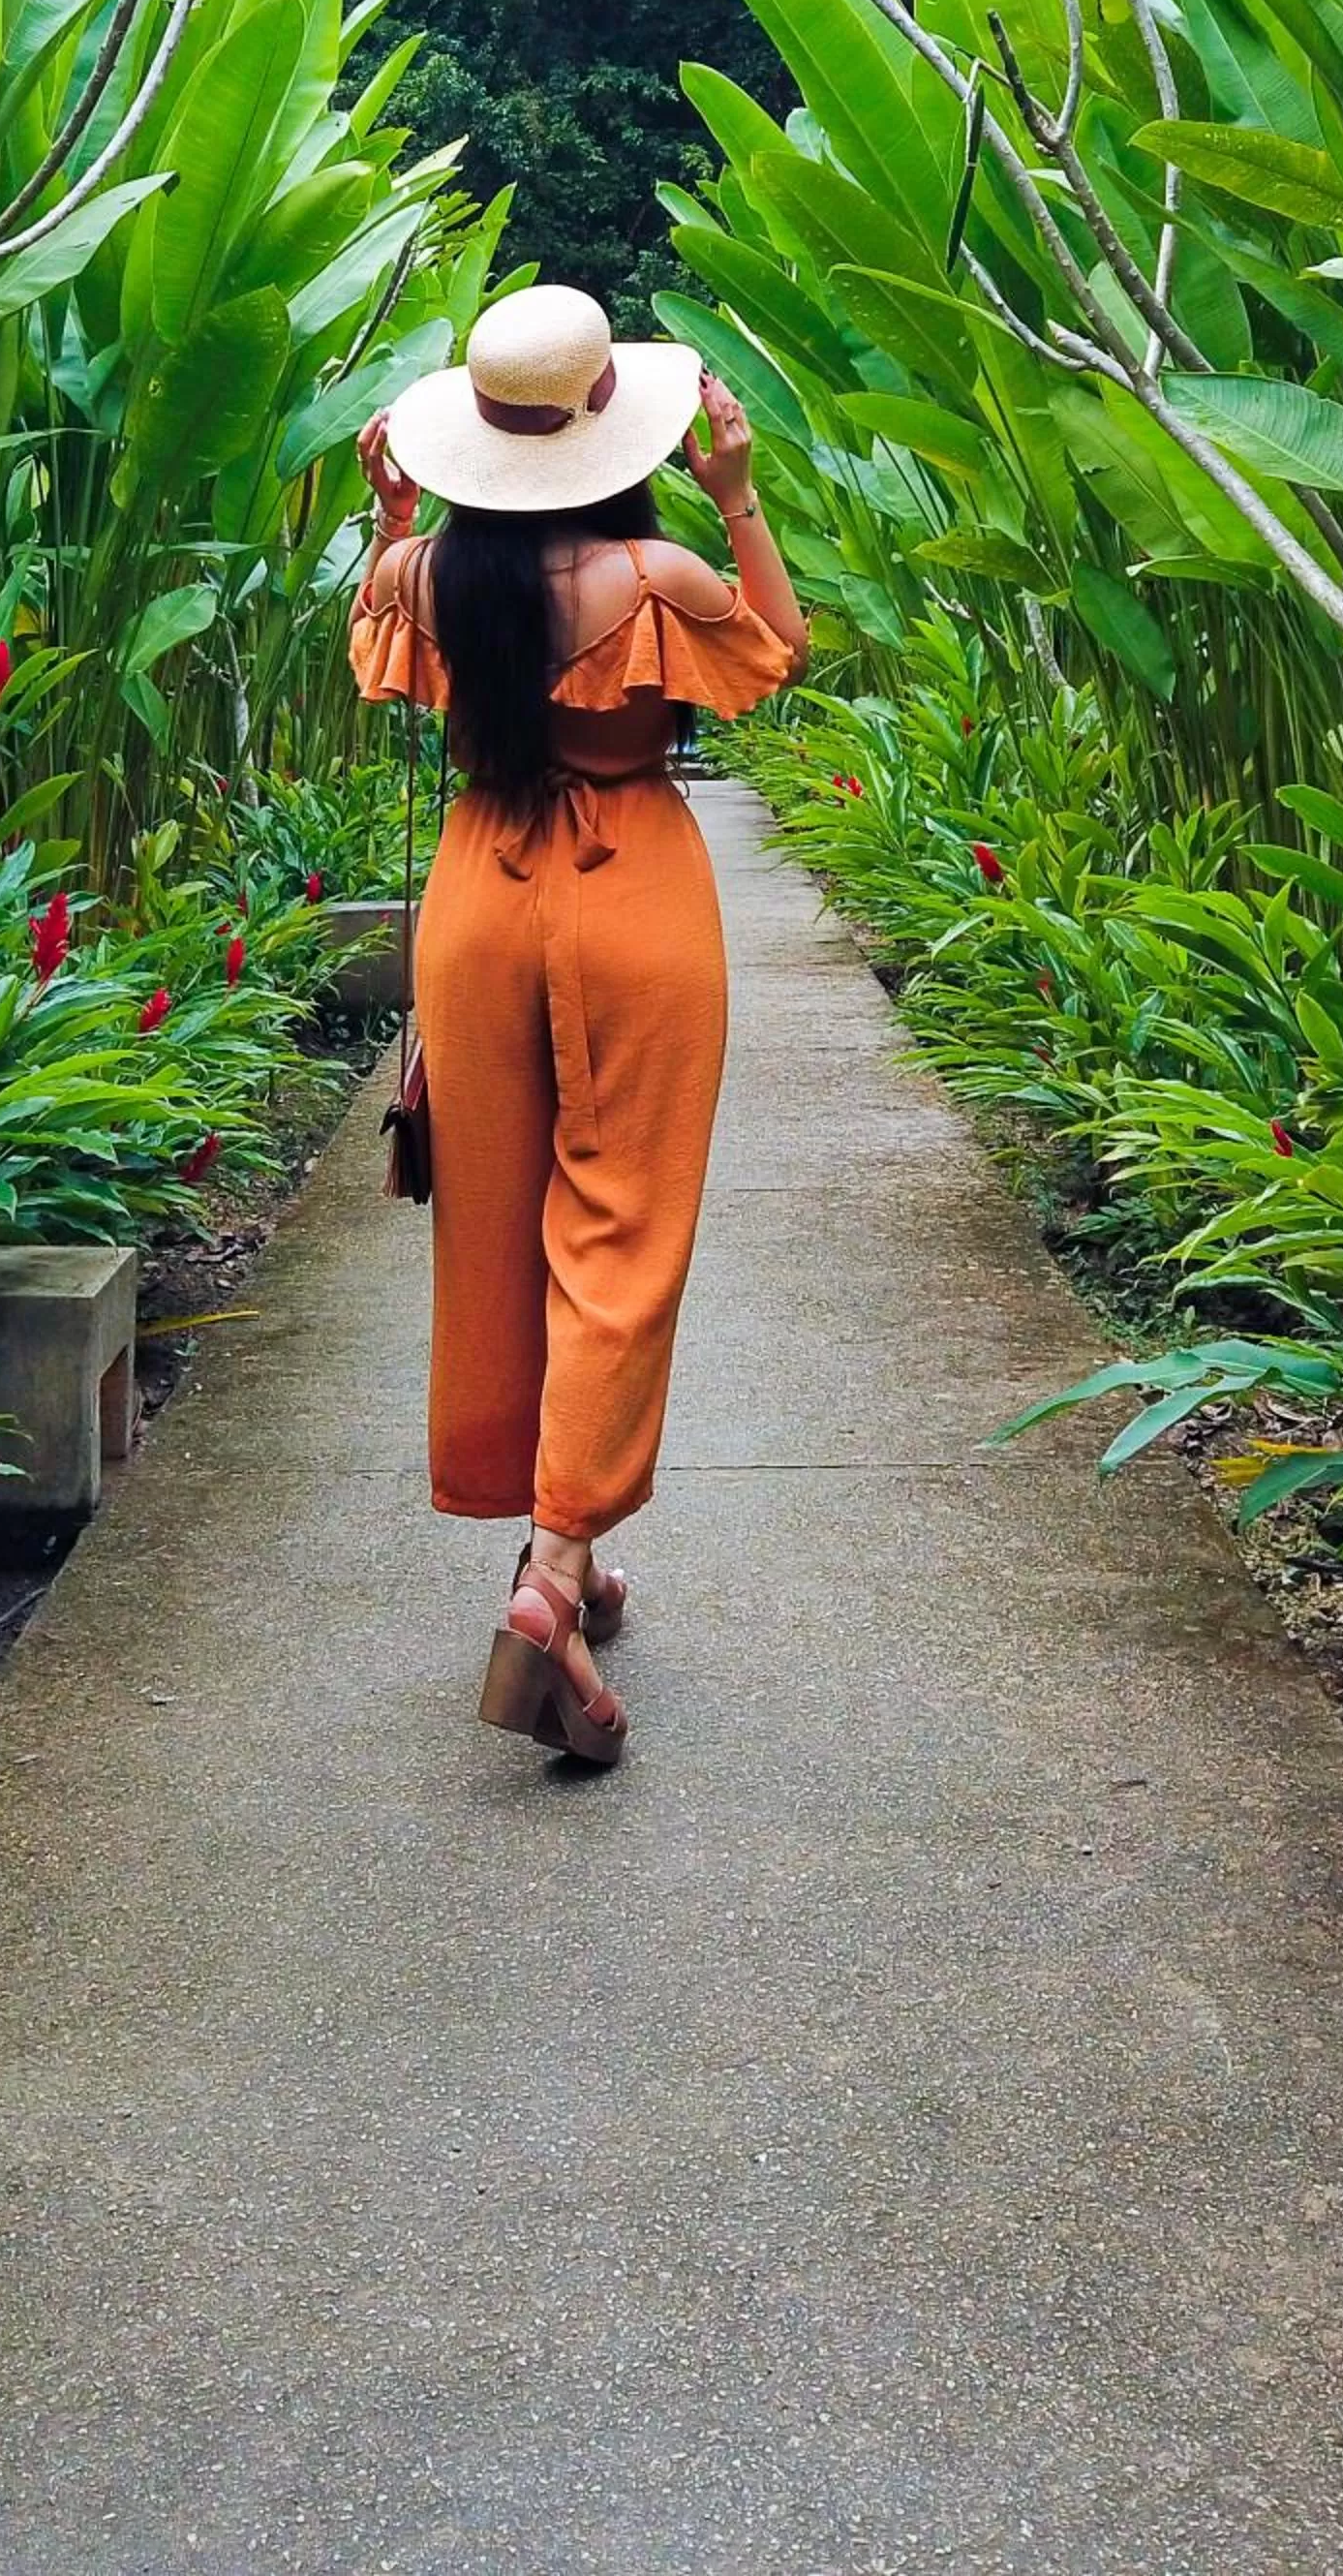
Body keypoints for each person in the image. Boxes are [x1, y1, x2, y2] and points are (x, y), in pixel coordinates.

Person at [351, 286, 809, 1767]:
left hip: (476, 898)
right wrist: (737, 500)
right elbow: (775, 660)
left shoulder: (427, 576)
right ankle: (553, 1567)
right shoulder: (653, 572)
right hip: (630, 896)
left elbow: (380, 656)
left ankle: (561, 1553)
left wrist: (386, 518)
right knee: (618, 1225)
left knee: (490, 1218)